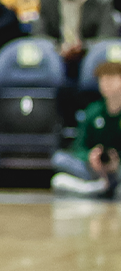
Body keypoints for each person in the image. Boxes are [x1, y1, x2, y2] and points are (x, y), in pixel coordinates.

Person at [35, 0, 116, 80]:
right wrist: (59, 48)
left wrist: (84, 47)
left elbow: (107, 36)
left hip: (90, 57)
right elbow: (39, 35)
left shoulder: (101, 0)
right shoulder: (48, 0)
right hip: (57, 57)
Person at [53, 60, 121, 196]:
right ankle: (97, 186)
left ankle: (100, 187)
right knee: (59, 159)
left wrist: (116, 162)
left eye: (111, 78)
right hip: (94, 169)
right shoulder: (93, 111)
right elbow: (78, 147)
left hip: (118, 168)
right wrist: (90, 156)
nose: (106, 84)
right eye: (102, 79)